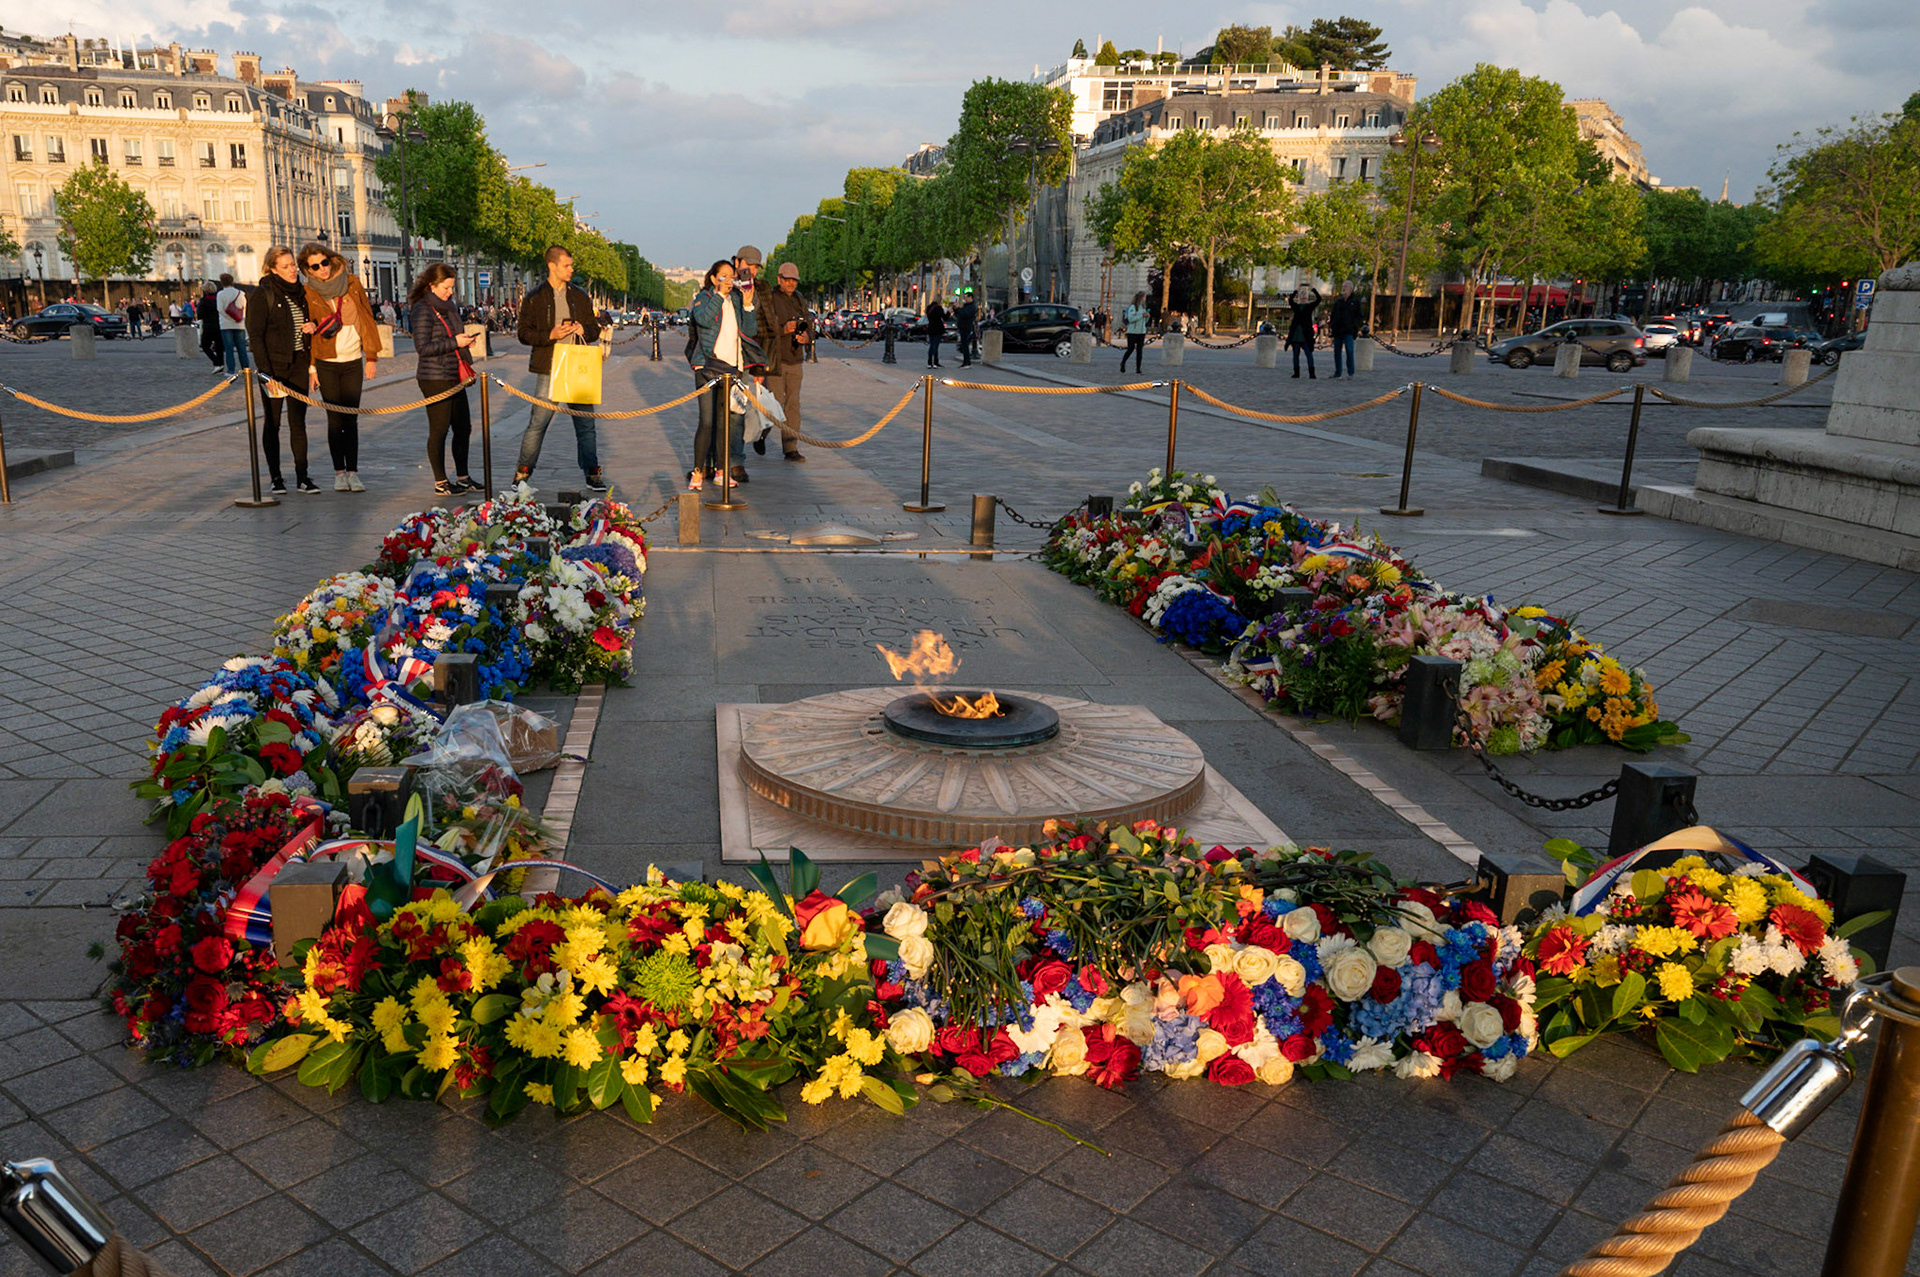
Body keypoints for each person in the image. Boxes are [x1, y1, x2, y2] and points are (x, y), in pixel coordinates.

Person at [513, 245, 606, 491]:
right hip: (549, 366)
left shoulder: (579, 295)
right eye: (567, 265)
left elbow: (595, 329)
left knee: (586, 424)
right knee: (538, 422)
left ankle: (592, 471)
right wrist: (550, 334)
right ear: (552, 266)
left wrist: (583, 329)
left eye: (571, 265)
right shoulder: (534, 297)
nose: (571, 269)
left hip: (577, 366)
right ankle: (523, 472)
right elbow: (523, 333)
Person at [300, 243, 382, 492]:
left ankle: (353, 473)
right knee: (334, 420)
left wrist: (371, 357)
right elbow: (311, 330)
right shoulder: (308, 292)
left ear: (331, 260)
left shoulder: (353, 283)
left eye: (324, 262)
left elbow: (367, 318)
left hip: (351, 361)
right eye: (315, 266)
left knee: (351, 418)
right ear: (309, 270)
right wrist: (312, 369)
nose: (322, 269)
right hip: (326, 361)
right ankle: (339, 472)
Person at [246, 247, 319, 495]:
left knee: (298, 423)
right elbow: (255, 336)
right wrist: (266, 374)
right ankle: (276, 477)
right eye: (286, 266)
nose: (292, 270)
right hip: (274, 367)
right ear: (273, 268)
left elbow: (306, 322)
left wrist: (313, 325)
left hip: (298, 362)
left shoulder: (301, 293)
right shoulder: (263, 294)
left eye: (293, 265)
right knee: (273, 422)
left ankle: (302, 476)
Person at [407, 263, 480, 497]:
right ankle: (440, 480)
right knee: (439, 429)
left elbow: (449, 336)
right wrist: (455, 343)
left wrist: (464, 341)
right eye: (446, 287)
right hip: (434, 376)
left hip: (454, 374)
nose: (450, 292)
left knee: (463, 427)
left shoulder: (449, 307)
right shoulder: (422, 309)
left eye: (452, 287)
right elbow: (423, 347)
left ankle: (463, 476)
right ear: (432, 285)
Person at [685, 258, 757, 490]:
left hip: (731, 368)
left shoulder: (736, 300)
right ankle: (697, 471)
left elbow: (749, 331)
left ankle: (721, 471)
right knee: (707, 421)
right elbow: (703, 320)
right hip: (706, 366)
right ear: (714, 279)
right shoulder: (703, 298)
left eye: (732, 275)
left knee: (724, 423)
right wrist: (718, 295)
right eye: (723, 276)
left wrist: (747, 304)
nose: (729, 280)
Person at [756, 261, 813, 462]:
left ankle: (790, 447)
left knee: (793, 405)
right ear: (779, 279)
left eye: (794, 280)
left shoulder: (799, 299)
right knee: (775, 403)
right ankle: (760, 434)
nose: (790, 283)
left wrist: (806, 337)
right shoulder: (770, 299)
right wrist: (783, 330)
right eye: (787, 279)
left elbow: (808, 323)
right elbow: (762, 328)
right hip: (775, 359)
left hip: (795, 360)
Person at [214, 273, 252, 374]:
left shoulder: (220, 294)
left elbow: (220, 309)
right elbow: (245, 308)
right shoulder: (241, 293)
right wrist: (239, 318)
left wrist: (229, 318)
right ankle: (246, 368)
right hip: (239, 324)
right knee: (241, 348)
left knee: (229, 349)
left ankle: (231, 370)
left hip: (226, 324)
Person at [1327, 281, 1362, 379]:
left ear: (1351, 289)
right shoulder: (1338, 302)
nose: (1343, 288)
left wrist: (1354, 326)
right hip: (1338, 331)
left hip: (1349, 331)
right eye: (1343, 286)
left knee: (1349, 351)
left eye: (1345, 287)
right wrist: (1332, 326)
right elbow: (1333, 315)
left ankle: (1351, 373)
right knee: (1337, 352)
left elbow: (1359, 316)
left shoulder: (1355, 301)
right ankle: (1338, 372)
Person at [1286, 284, 1322, 379]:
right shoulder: (1296, 307)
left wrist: (1312, 289)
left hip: (1306, 334)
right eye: (1301, 293)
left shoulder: (1309, 307)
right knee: (1295, 355)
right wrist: (1296, 290)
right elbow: (1290, 300)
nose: (1303, 295)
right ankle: (1296, 372)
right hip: (1296, 334)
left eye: (1305, 293)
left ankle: (1312, 372)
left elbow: (1318, 299)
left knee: (1309, 354)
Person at [1120, 292, 1150, 374]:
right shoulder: (1133, 307)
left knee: (1140, 350)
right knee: (1130, 349)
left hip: (1141, 332)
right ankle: (1123, 362)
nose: (1145, 299)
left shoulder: (1142, 308)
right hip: (1132, 331)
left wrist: (1147, 317)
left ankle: (1138, 368)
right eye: (1144, 298)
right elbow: (1131, 319)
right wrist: (1141, 315)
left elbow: (1144, 321)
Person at [197, 282, 223, 367]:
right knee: (219, 346)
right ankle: (221, 363)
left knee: (205, 345)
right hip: (219, 324)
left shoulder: (204, 301)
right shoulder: (218, 299)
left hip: (208, 325)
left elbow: (200, 314)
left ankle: (216, 362)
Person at [954, 292, 978, 368]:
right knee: (964, 345)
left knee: (965, 345)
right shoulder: (966, 306)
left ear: (971, 298)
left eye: (966, 297)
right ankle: (966, 361)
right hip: (962, 326)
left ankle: (967, 362)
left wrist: (958, 309)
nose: (965, 299)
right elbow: (960, 314)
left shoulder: (972, 307)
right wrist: (956, 309)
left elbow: (966, 314)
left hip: (966, 327)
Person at [925, 295, 947, 368]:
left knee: (932, 345)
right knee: (935, 345)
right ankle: (935, 362)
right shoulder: (938, 308)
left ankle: (929, 362)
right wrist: (949, 312)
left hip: (930, 327)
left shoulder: (928, 308)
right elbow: (945, 317)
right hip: (938, 328)